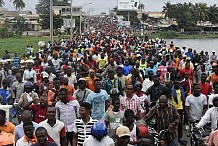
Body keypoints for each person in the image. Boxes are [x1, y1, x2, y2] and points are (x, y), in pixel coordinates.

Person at [171, 78, 185, 144]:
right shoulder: (171, 90)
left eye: (178, 83)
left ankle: (180, 137)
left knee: (180, 124)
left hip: (180, 108)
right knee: (173, 123)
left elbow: (183, 98)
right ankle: (173, 137)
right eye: (176, 83)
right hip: (173, 109)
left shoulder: (181, 89)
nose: (177, 84)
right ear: (174, 84)